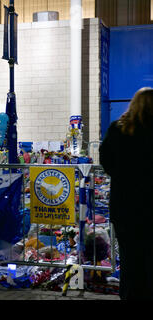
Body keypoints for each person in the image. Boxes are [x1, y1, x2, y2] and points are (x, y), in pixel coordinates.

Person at [99, 87, 153, 300]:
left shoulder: (118, 129)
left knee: (130, 260)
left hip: (125, 207)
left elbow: (106, 161)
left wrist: (123, 176)